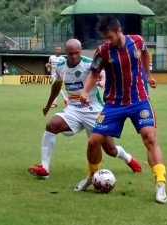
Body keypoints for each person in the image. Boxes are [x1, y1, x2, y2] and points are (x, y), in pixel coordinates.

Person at [75, 16, 167, 204]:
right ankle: (92, 177)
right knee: (94, 142)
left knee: (150, 138)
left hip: (139, 100)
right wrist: (85, 91)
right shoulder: (103, 52)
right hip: (114, 104)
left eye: (109, 37)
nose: (106, 41)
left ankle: (160, 184)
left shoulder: (137, 42)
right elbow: (93, 74)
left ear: (119, 32)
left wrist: (148, 74)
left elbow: (145, 54)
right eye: (104, 38)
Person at [28, 39, 142, 179]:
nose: (74, 56)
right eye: (70, 53)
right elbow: (57, 86)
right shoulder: (61, 66)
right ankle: (44, 169)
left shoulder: (89, 63)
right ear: (66, 52)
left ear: (80, 51)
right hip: (73, 110)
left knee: (110, 150)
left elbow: (103, 75)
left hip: (94, 111)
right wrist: (48, 104)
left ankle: (128, 159)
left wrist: (102, 81)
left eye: (77, 53)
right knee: (52, 125)